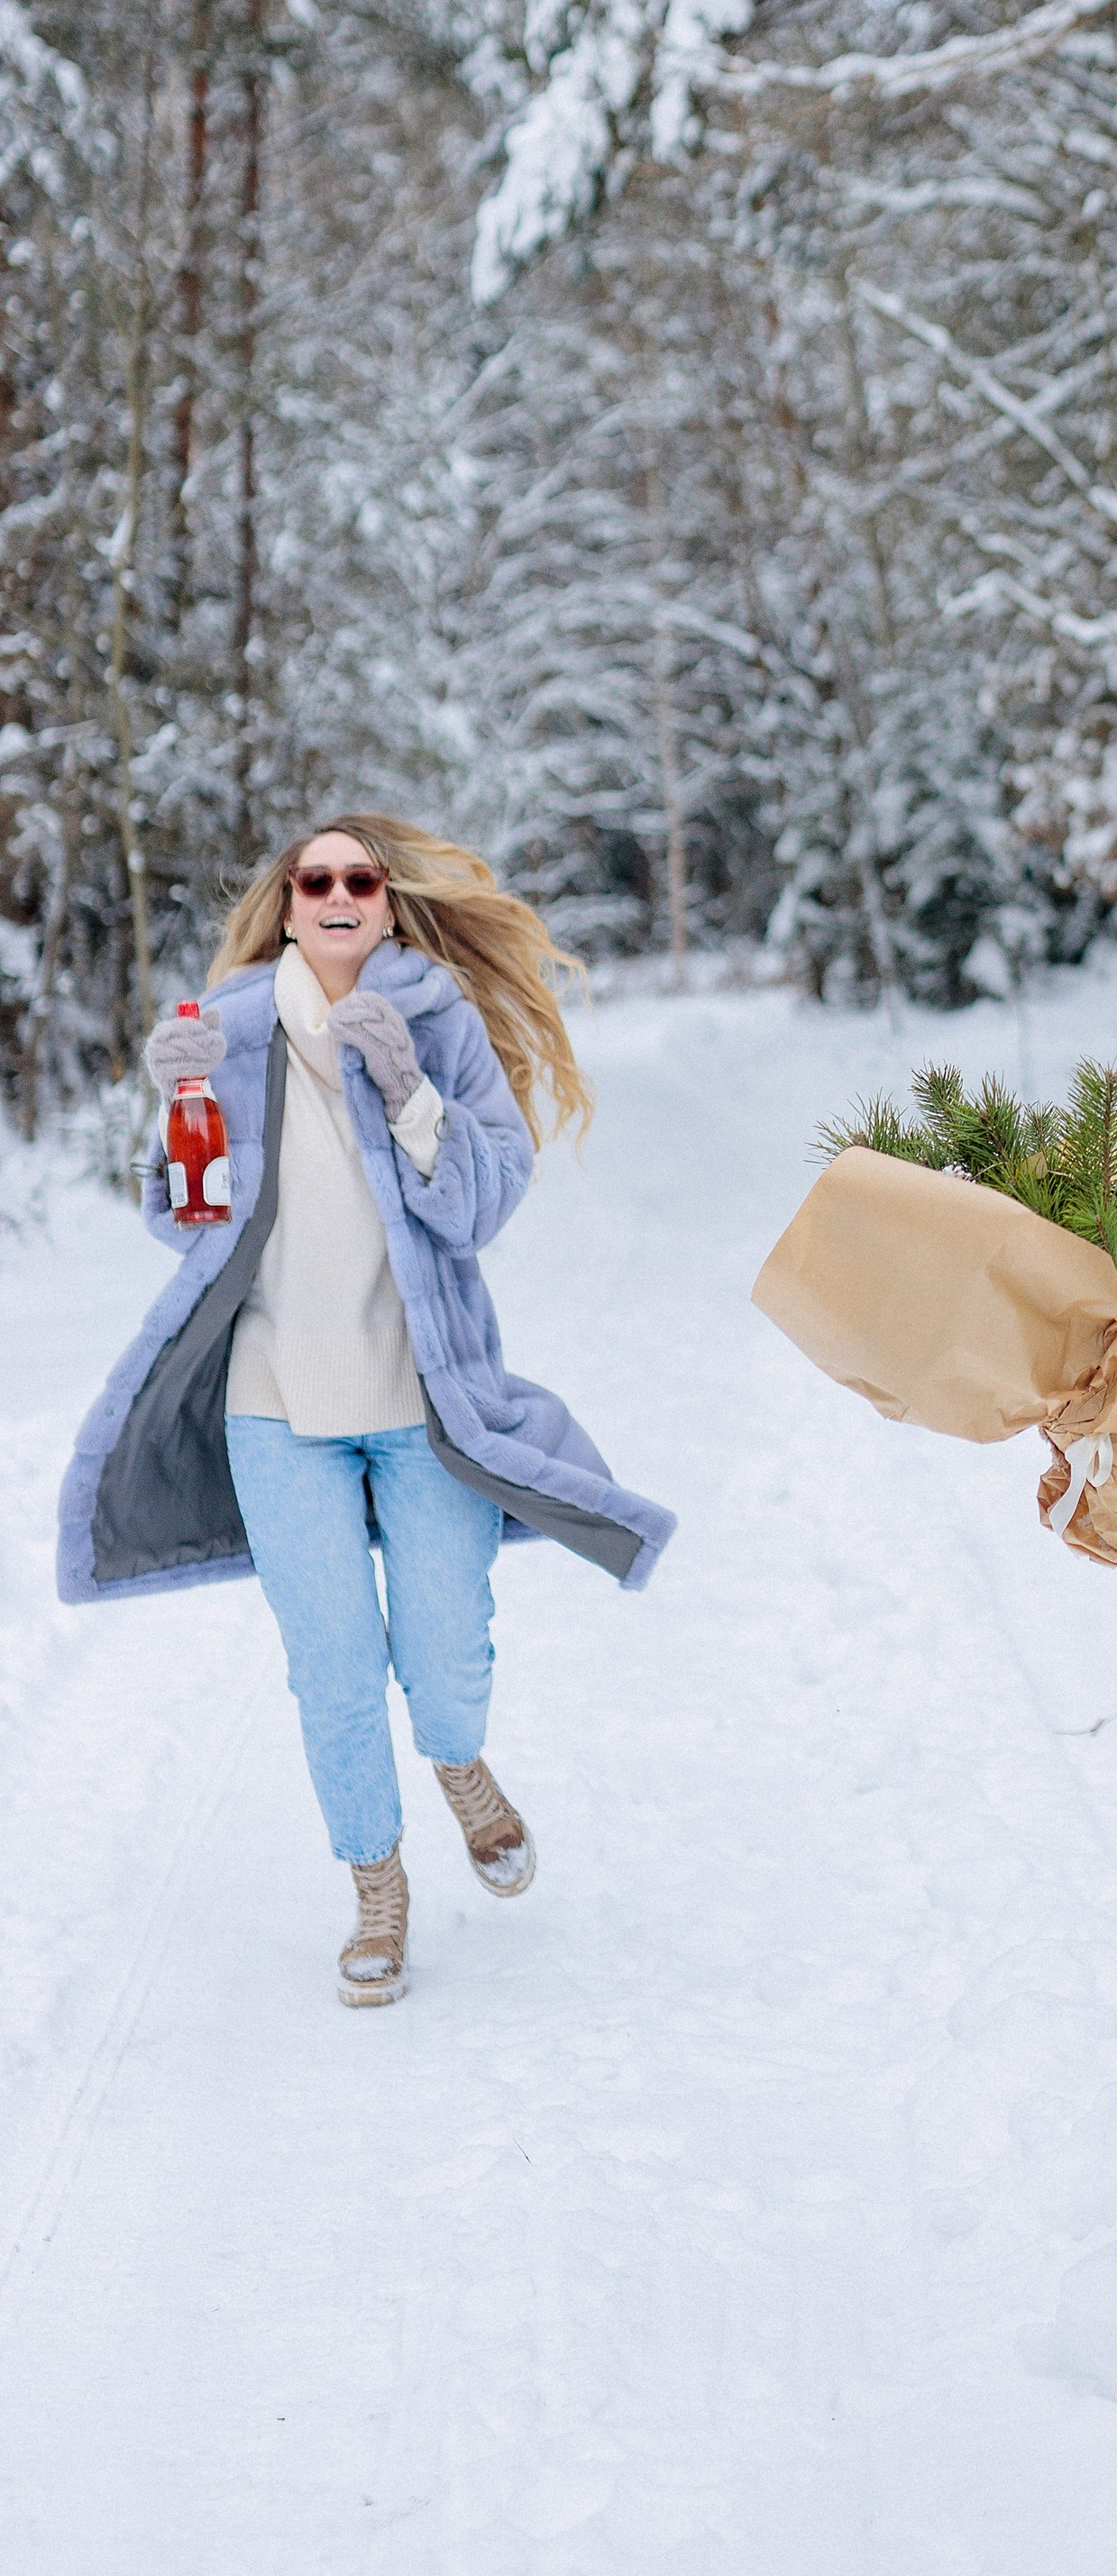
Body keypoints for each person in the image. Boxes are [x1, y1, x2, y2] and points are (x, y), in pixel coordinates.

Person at [59, 817, 676, 2008]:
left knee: (443, 1660)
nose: (338, 893)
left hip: (421, 1397)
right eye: (315, 879)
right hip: (273, 1401)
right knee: (333, 1667)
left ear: (386, 905)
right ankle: (376, 1891)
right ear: (289, 907)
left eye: (361, 878)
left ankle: (459, 1764)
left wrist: (410, 1093)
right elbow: (187, 1223)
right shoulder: (226, 1035)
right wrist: (182, 1107)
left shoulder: (435, 1021)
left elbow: (486, 1199)